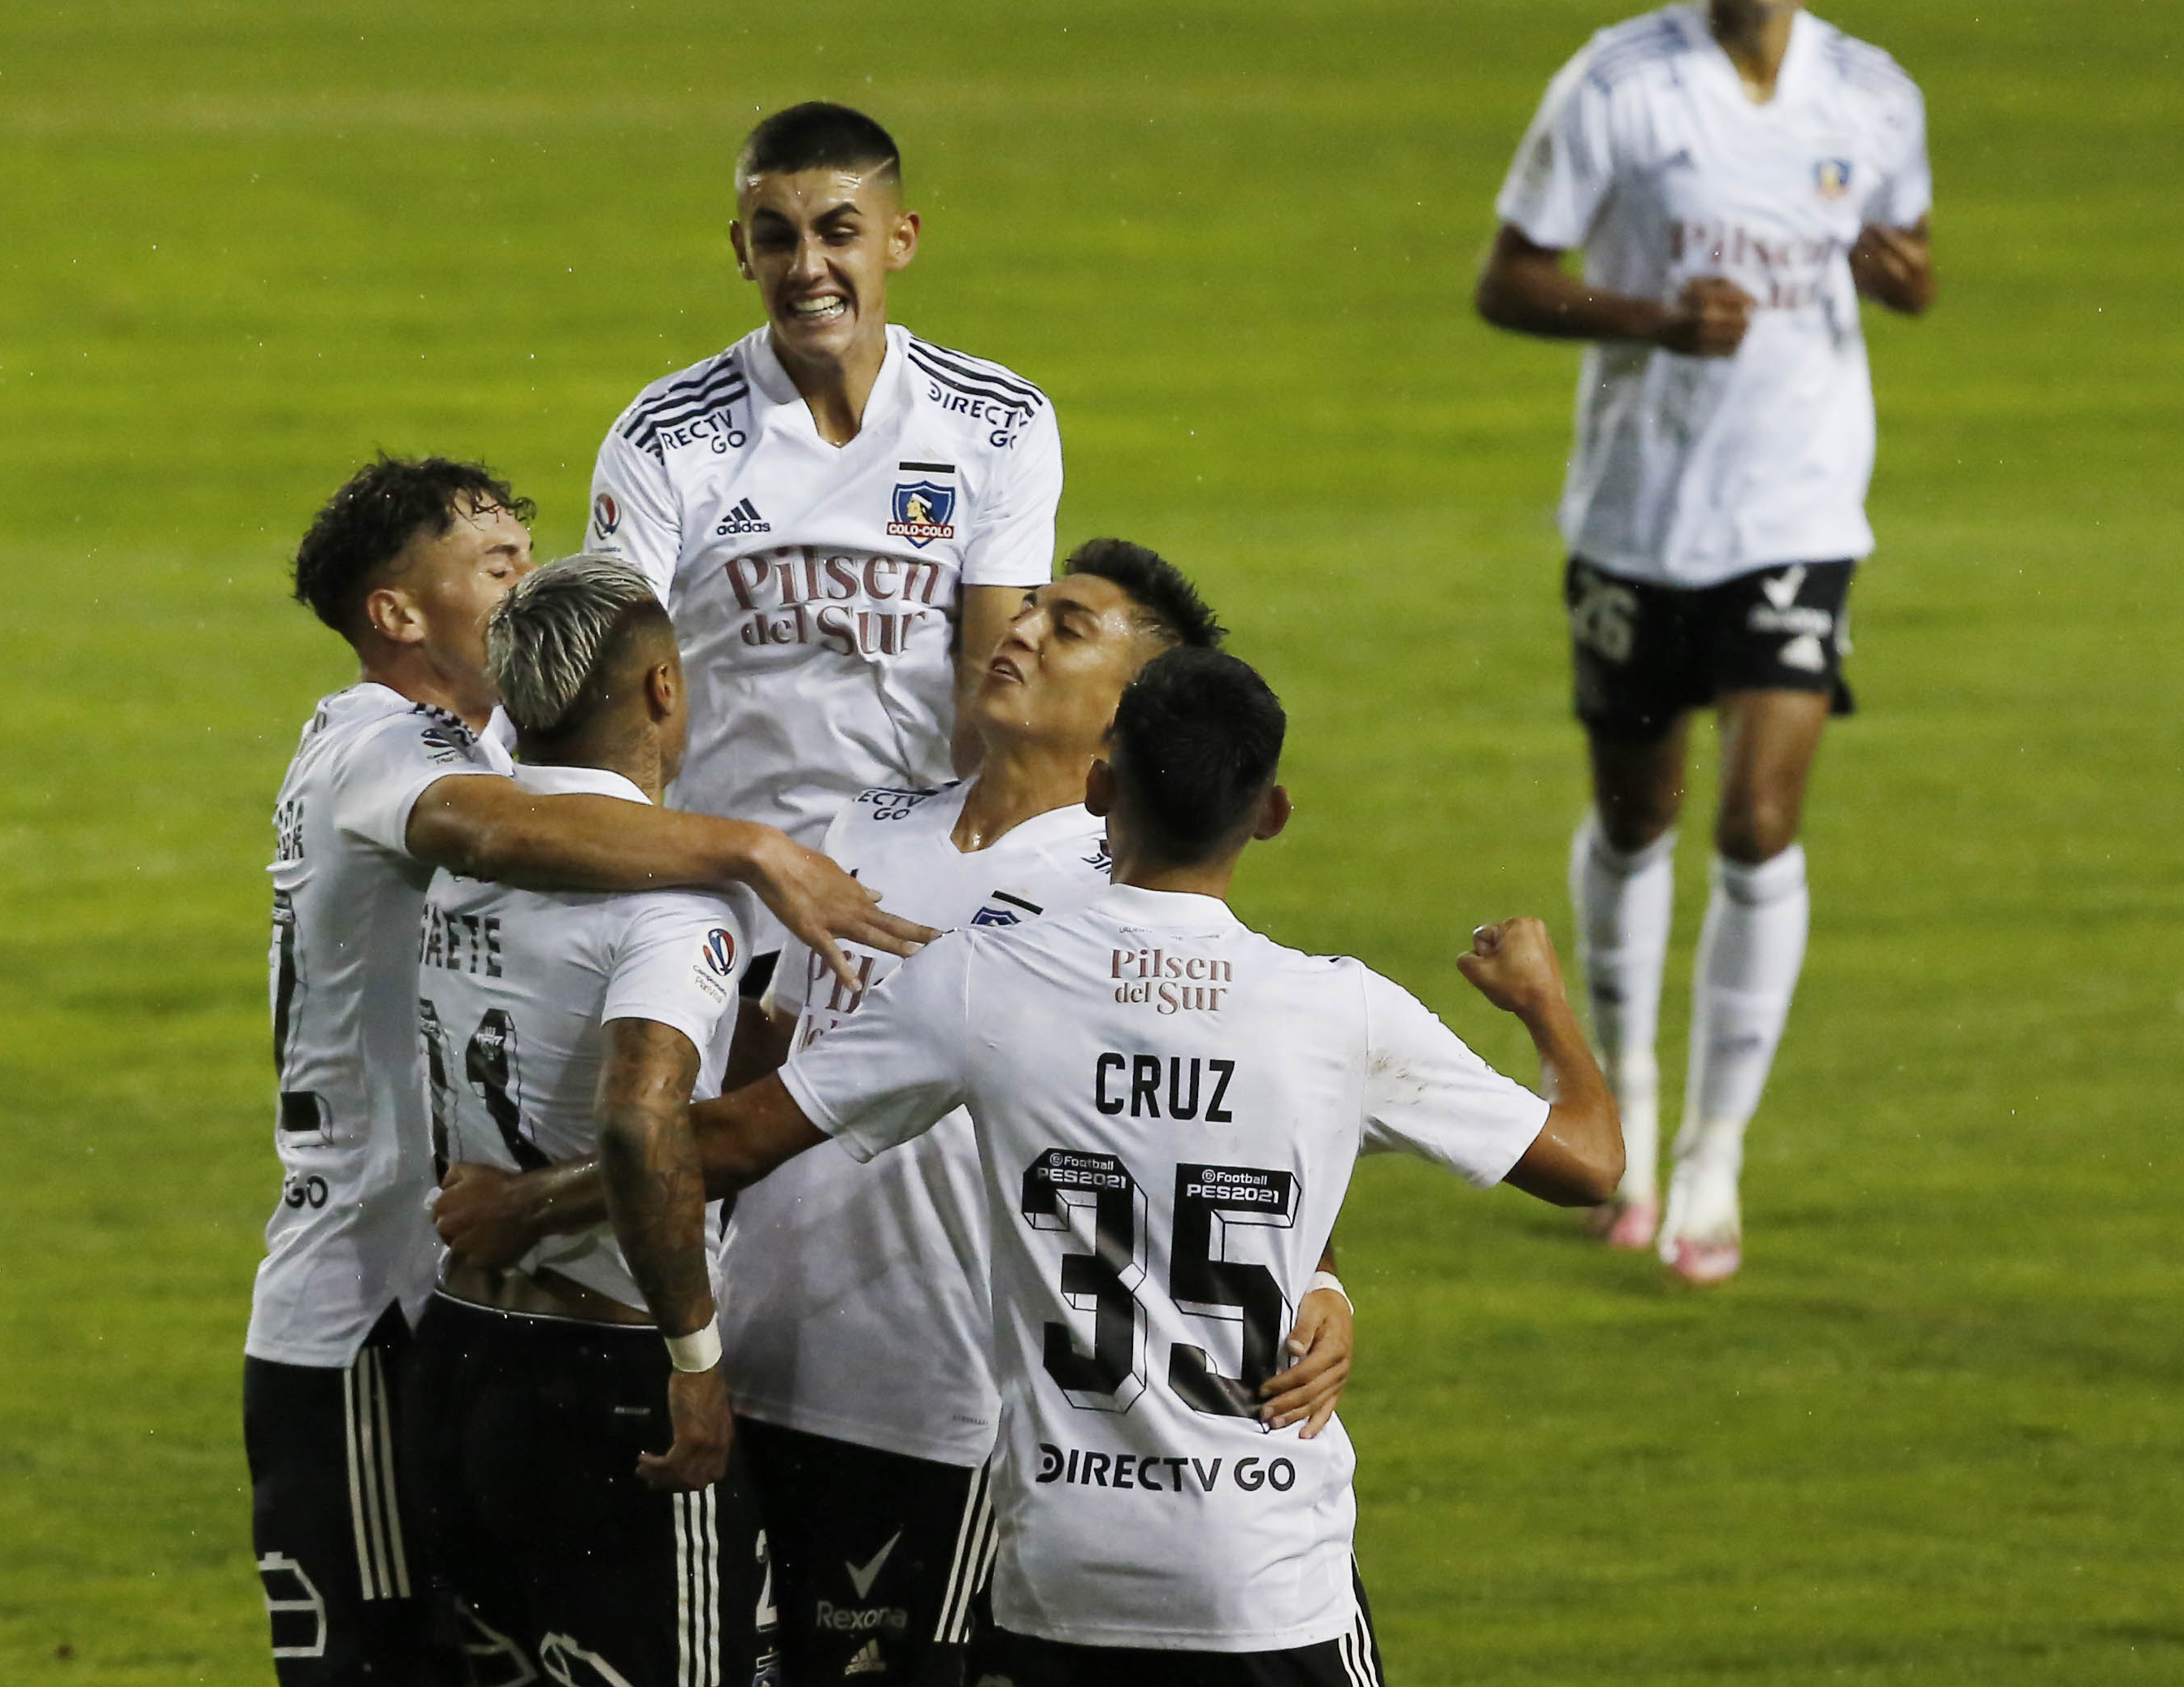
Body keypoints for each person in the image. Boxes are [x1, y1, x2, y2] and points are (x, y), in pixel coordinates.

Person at [451, 649, 1620, 1683]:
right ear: (1269, 813)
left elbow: (721, 1140)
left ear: (1103, 786)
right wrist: (1545, 1007)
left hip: (1064, 1571)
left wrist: (536, 1203)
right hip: (1267, 1579)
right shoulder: (1340, 1014)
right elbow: (1587, 1162)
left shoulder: (987, 982)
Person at [246, 458, 927, 1685]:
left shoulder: (475, 754)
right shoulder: (390, 753)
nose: (526, 588)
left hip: (449, 1310)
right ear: (397, 616)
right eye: (498, 568)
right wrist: (753, 851)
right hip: (356, 1305)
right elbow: (500, 831)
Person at [1472, 0, 1935, 1281]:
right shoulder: (1618, 85)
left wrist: (1901, 276)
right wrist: (1649, 320)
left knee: (1754, 824)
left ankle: (1714, 1159)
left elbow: (1905, 263)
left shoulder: (1869, 96)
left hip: (1796, 511)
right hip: (1637, 514)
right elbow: (1505, 280)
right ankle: (1634, 1110)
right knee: (1632, 821)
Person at [584, 101, 1066, 1002]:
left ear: (901, 238)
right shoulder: (667, 437)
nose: (808, 269)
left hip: (913, 905)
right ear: (741, 250)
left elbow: (994, 692)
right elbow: (615, 702)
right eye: (777, 239)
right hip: (725, 898)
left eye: (838, 233)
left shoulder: (997, 422)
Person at [413, 555, 766, 1686]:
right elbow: (637, 1122)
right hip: (608, 1376)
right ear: (663, 690)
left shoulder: (456, 868)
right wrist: (695, 1359)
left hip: (461, 1350)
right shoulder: (672, 901)